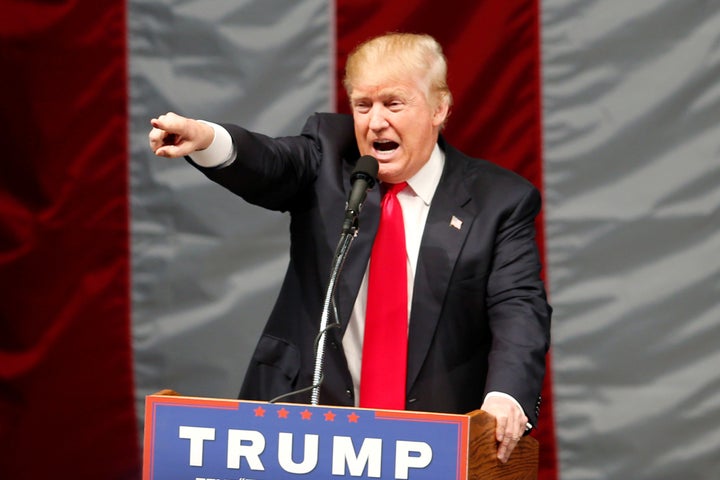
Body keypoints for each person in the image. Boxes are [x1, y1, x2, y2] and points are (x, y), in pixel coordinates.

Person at [148, 32, 551, 463]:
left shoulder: (498, 201)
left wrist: (506, 395)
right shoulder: (330, 156)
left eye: (394, 104)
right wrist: (207, 138)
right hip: (305, 437)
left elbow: (519, 307)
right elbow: (269, 162)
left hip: (433, 444)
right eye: (363, 105)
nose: (375, 122)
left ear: (439, 108)